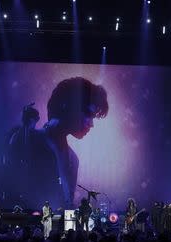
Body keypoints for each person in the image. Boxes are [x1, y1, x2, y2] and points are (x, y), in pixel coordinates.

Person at [7, 77, 109, 210]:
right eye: (88, 114)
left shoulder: (73, 160)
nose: (91, 124)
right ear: (67, 106)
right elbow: (8, 186)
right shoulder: (25, 138)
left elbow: (67, 208)